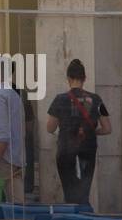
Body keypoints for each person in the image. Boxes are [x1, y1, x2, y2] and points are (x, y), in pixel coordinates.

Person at [46, 59, 111, 206]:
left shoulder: (60, 99)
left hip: (66, 149)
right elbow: (107, 128)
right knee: (83, 190)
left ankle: (72, 219)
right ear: (84, 78)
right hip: (88, 149)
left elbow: (50, 128)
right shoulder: (96, 99)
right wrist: (93, 132)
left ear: (68, 78)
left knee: (69, 191)